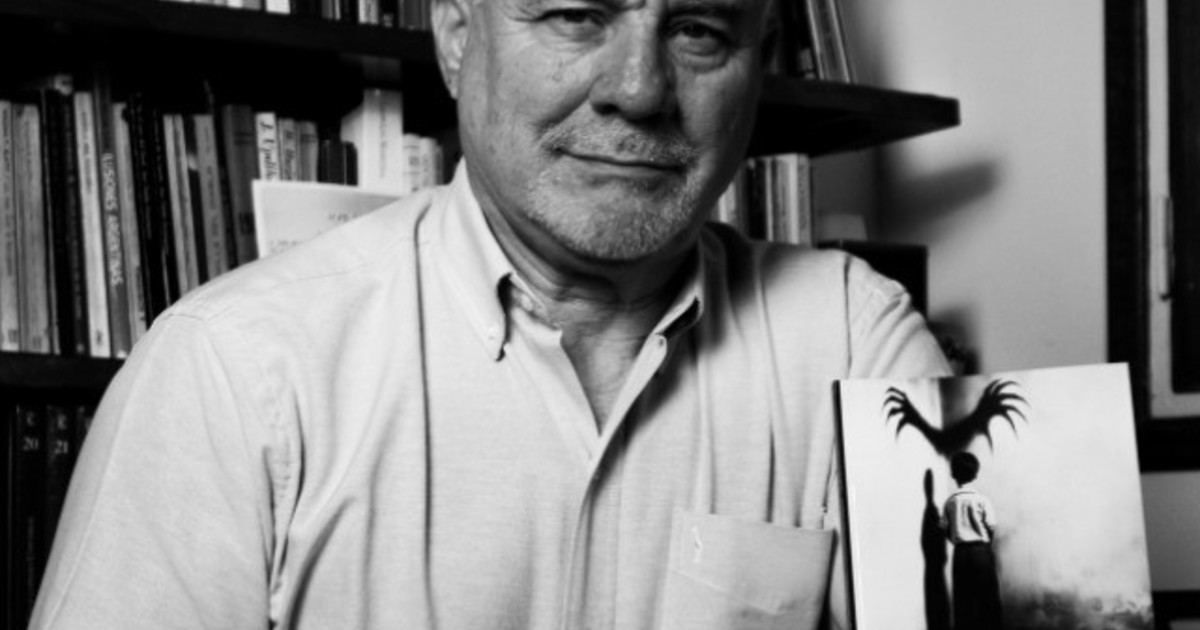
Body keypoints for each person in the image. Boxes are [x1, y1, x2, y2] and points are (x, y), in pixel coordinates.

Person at [30, 0, 949, 628]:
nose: (639, 88)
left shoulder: (855, 343)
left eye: (700, 30)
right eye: (576, 16)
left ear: (757, 63)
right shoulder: (233, 370)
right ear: (458, 35)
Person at [941, 451, 1003, 630]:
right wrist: (984, 544)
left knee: (963, 603)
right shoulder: (982, 500)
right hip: (981, 553)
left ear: (953, 474)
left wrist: (957, 540)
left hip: (960, 554)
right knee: (988, 600)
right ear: (975, 474)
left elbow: (944, 529)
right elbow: (991, 527)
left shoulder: (950, 502)